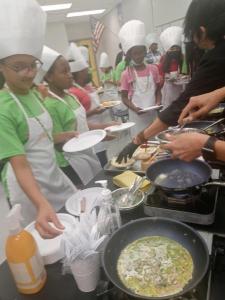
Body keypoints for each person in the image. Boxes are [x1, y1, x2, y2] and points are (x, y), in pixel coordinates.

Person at [0, 0, 76, 238]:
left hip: (52, 174)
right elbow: (19, 164)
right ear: (1, 67)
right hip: (28, 189)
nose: (29, 73)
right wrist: (41, 203)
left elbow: (41, 137)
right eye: (19, 66)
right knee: (47, 244)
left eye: (33, 65)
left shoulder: (34, 92)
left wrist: (67, 136)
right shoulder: (4, 108)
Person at [117, 0, 225, 163]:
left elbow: (180, 105)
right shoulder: (127, 72)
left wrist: (207, 144)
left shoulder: (217, 55)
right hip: (141, 115)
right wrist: (219, 94)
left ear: (201, 32)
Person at [35, 46, 102, 186]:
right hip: (70, 162)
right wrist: (88, 139)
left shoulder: (70, 95)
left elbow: (80, 125)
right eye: (64, 72)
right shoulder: (50, 105)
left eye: (69, 71)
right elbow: (58, 143)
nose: (70, 75)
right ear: (48, 76)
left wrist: (104, 129)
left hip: (86, 150)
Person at [68, 43, 118, 167]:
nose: (89, 72)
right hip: (89, 132)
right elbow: (78, 119)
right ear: (77, 74)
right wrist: (95, 113)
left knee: (102, 158)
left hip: (98, 127)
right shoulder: (73, 92)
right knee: (99, 162)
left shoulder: (86, 86)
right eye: (86, 71)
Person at [119, 20, 161, 137]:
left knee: (155, 142)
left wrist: (158, 103)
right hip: (137, 117)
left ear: (145, 51)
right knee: (140, 146)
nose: (138, 56)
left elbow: (158, 91)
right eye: (135, 54)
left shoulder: (153, 69)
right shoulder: (126, 74)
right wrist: (134, 108)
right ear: (130, 55)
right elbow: (124, 98)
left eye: (140, 52)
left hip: (153, 115)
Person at [159, 26, 184, 109]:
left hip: (181, 89)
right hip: (168, 90)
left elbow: (186, 73)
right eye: (172, 48)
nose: (175, 50)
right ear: (167, 50)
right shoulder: (163, 59)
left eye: (177, 48)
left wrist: (181, 77)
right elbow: (161, 76)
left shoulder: (183, 58)